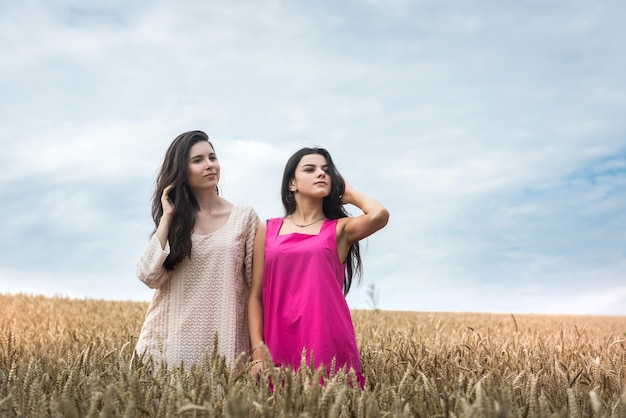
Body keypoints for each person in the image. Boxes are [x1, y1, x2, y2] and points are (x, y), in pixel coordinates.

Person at [248, 147, 389, 387]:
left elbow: (379, 215)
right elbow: (255, 297)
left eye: (326, 170)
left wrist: (350, 193)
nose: (321, 174)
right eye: (310, 169)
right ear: (292, 183)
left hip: (327, 341)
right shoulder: (267, 229)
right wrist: (257, 352)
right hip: (279, 343)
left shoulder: (339, 229)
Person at [134, 130, 260, 369]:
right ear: (182, 171)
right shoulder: (177, 223)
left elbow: (257, 289)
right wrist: (167, 218)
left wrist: (258, 353)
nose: (210, 165)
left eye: (212, 157)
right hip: (168, 348)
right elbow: (148, 275)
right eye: (198, 160)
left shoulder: (245, 218)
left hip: (227, 348)